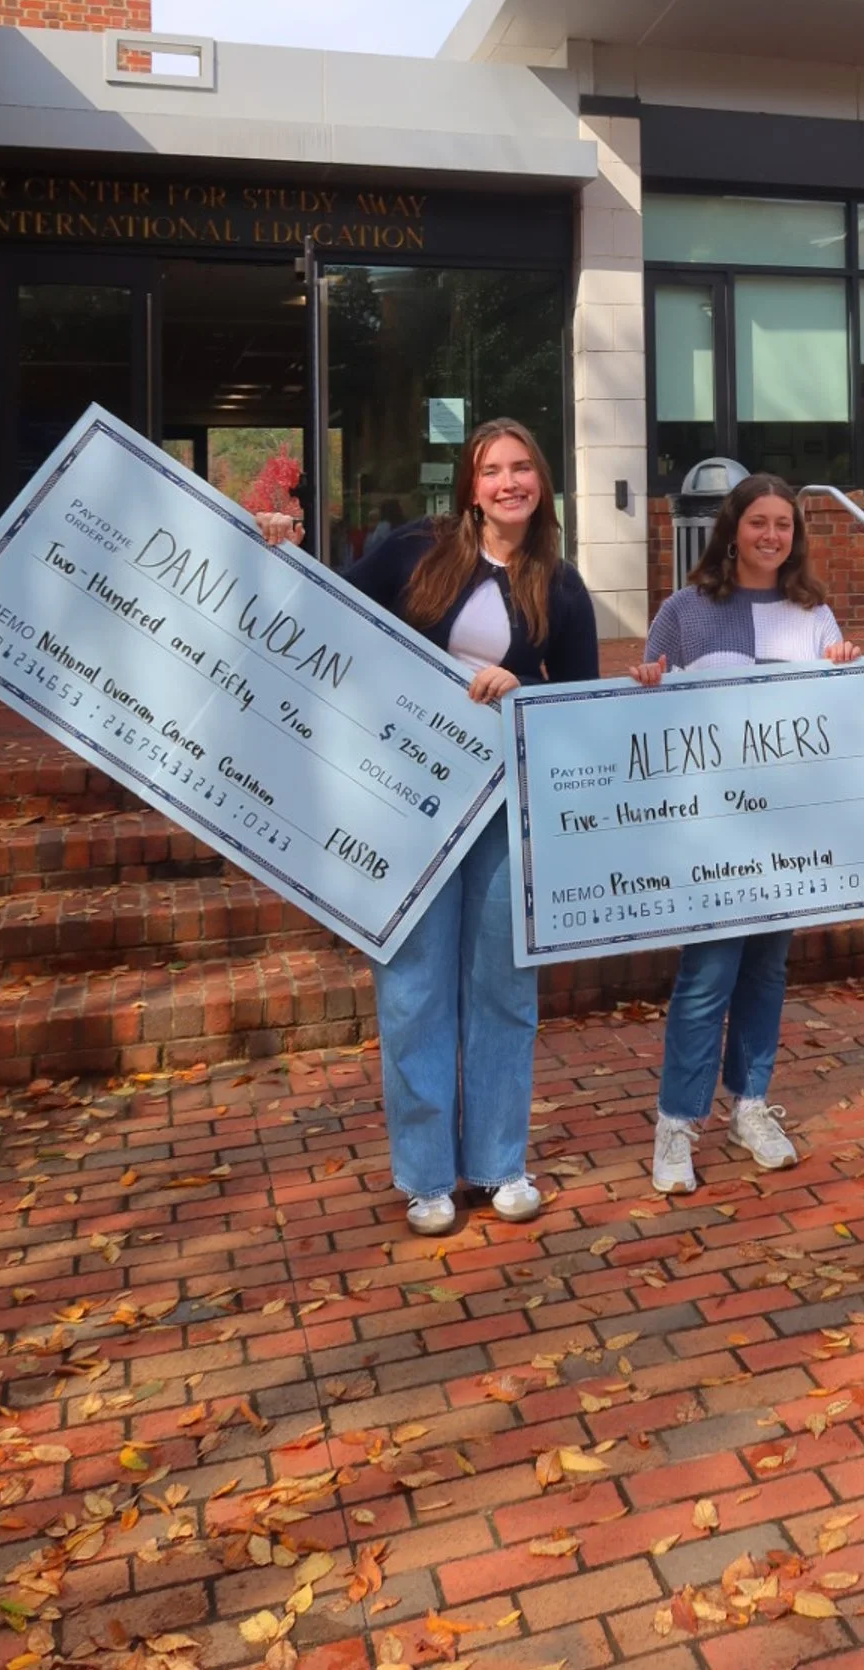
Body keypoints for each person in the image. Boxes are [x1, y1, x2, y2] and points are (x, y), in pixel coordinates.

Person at [261, 419, 598, 1235]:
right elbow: (332, 607)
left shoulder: (560, 583)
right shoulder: (416, 549)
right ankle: (425, 1176)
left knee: (502, 986)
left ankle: (499, 1162)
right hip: (400, 799)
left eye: (523, 468)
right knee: (412, 987)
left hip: (499, 808)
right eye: (493, 471)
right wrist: (277, 550)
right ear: (470, 484)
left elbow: (580, 704)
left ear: (541, 483)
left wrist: (523, 685)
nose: (509, 482)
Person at [632, 474, 861, 1195]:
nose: (771, 535)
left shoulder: (814, 613)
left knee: (766, 970)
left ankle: (751, 1106)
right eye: (758, 522)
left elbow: (839, 720)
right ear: (732, 529)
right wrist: (644, 684)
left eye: (784, 525)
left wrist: (845, 671)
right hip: (713, 832)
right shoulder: (686, 611)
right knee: (706, 977)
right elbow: (650, 712)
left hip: (790, 829)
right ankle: (677, 1122)